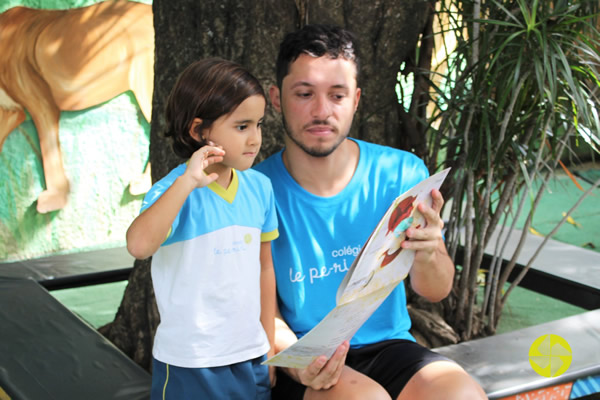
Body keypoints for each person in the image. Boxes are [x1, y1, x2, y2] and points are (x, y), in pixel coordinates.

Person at [254, 24, 487, 400]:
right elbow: (266, 315)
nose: (321, 110)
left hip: (389, 346)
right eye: (304, 93)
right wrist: (299, 366)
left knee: (461, 394)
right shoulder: (255, 191)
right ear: (277, 98)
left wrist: (429, 249)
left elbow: (436, 289)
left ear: (356, 100)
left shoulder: (402, 173)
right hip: (305, 359)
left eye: (337, 95)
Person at [126, 58, 278, 399]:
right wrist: (186, 184)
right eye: (242, 126)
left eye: (259, 124)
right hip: (191, 364)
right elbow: (138, 246)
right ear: (199, 131)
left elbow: (265, 268)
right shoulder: (173, 191)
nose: (255, 138)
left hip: (251, 357)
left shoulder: (260, 189)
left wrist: (267, 344)